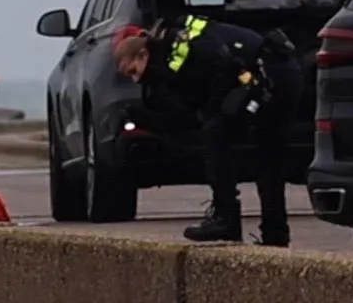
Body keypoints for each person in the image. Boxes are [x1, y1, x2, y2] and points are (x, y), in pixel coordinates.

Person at [113, 16, 302, 245]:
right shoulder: (167, 63)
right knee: (260, 157)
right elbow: (186, 118)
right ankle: (272, 236)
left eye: (134, 71)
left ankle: (227, 218)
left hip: (272, 71)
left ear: (142, 55)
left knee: (231, 140)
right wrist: (144, 119)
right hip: (269, 72)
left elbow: (222, 63)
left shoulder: (176, 44)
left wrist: (217, 110)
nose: (136, 79)